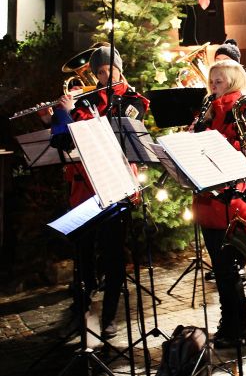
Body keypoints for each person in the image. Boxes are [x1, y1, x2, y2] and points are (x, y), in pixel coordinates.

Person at [51, 45, 149, 340]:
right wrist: (61, 116)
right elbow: (63, 142)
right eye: (99, 72)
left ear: (119, 69)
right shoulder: (85, 100)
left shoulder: (133, 99)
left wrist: (83, 116)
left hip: (114, 184)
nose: (104, 75)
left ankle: (109, 317)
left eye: (109, 70)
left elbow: (114, 130)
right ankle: (81, 313)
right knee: (83, 254)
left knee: (113, 255)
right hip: (83, 186)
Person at [192, 59, 246, 348]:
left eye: (219, 81)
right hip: (208, 200)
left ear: (233, 81)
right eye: (212, 81)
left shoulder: (244, 110)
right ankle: (228, 322)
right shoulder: (208, 112)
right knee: (221, 270)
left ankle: (238, 327)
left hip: (230, 201)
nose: (213, 85)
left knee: (229, 268)